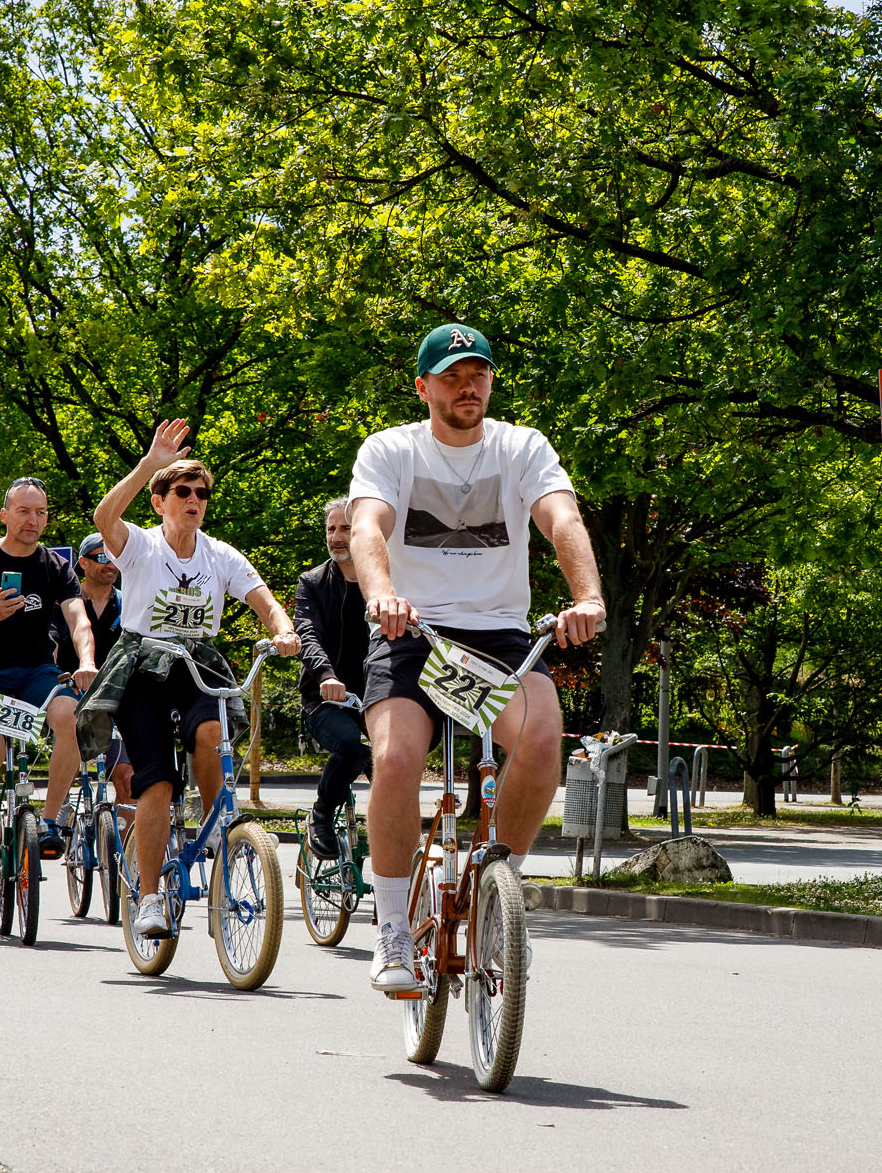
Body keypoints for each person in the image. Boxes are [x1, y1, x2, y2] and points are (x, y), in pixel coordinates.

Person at [348, 323, 605, 993]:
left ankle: (499, 892)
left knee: (543, 739)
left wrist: (587, 596)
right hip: (413, 632)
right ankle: (392, 932)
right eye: (454, 375)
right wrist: (381, 596)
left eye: (479, 374)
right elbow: (368, 527)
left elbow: (562, 518)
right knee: (397, 758)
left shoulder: (521, 447)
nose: (469, 386)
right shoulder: (391, 451)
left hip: (496, 637)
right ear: (424, 386)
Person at [81, 420, 302, 939]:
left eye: (201, 493)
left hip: (197, 664)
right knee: (155, 779)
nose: (194, 500)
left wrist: (284, 629)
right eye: (182, 491)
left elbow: (263, 600)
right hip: (142, 667)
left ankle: (220, 833)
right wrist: (148, 466)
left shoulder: (220, 555)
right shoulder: (138, 545)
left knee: (210, 733)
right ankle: (152, 896)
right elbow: (103, 515)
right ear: (160, 501)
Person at [0, 478, 98, 896]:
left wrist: (86, 661)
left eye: (41, 512)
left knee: (70, 718)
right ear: (5, 515)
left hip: (36, 672)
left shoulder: (55, 566)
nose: (34, 520)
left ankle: (49, 822)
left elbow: (78, 620)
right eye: (25, 511)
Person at [294, 497, 372, 859]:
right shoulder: (312, 582)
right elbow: (307, 634)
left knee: (394, 764)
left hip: (377, 694)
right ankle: (321, 815)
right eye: (331, 529)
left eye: (346, 528)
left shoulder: (384, 583)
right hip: (324, 699)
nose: (337, 537)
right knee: (352, 748)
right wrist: (326, 675)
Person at [50, 532, 135, 819]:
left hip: (118, 701)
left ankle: (127, 858)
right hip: (72, 697)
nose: (110, 564)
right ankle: (58, 817)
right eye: (102, 557)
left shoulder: (129, 605)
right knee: (70, 766)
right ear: (83, 563)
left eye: (114, 558)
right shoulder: (66, 605)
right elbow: (51, 646)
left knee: (125, 776)